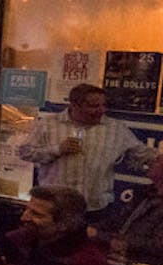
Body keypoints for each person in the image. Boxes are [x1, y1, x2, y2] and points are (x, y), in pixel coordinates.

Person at [18, 83, 157, 218]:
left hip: (95, 208)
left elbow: (143, 154)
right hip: (54, 207)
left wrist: (157, 161)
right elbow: (25, 152)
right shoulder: (48, 124)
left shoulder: (115, 128)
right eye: (94, 106)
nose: (101, 110)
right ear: (74, 105)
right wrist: (57, 150)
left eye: (104, 105)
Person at [95, 151, 163, 264]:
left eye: (156, 162)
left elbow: (157, 245)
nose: (149, 163)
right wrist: (87, 229)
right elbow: (117, 221)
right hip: (119, 257)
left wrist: (108, 238)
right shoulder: (144, 193)